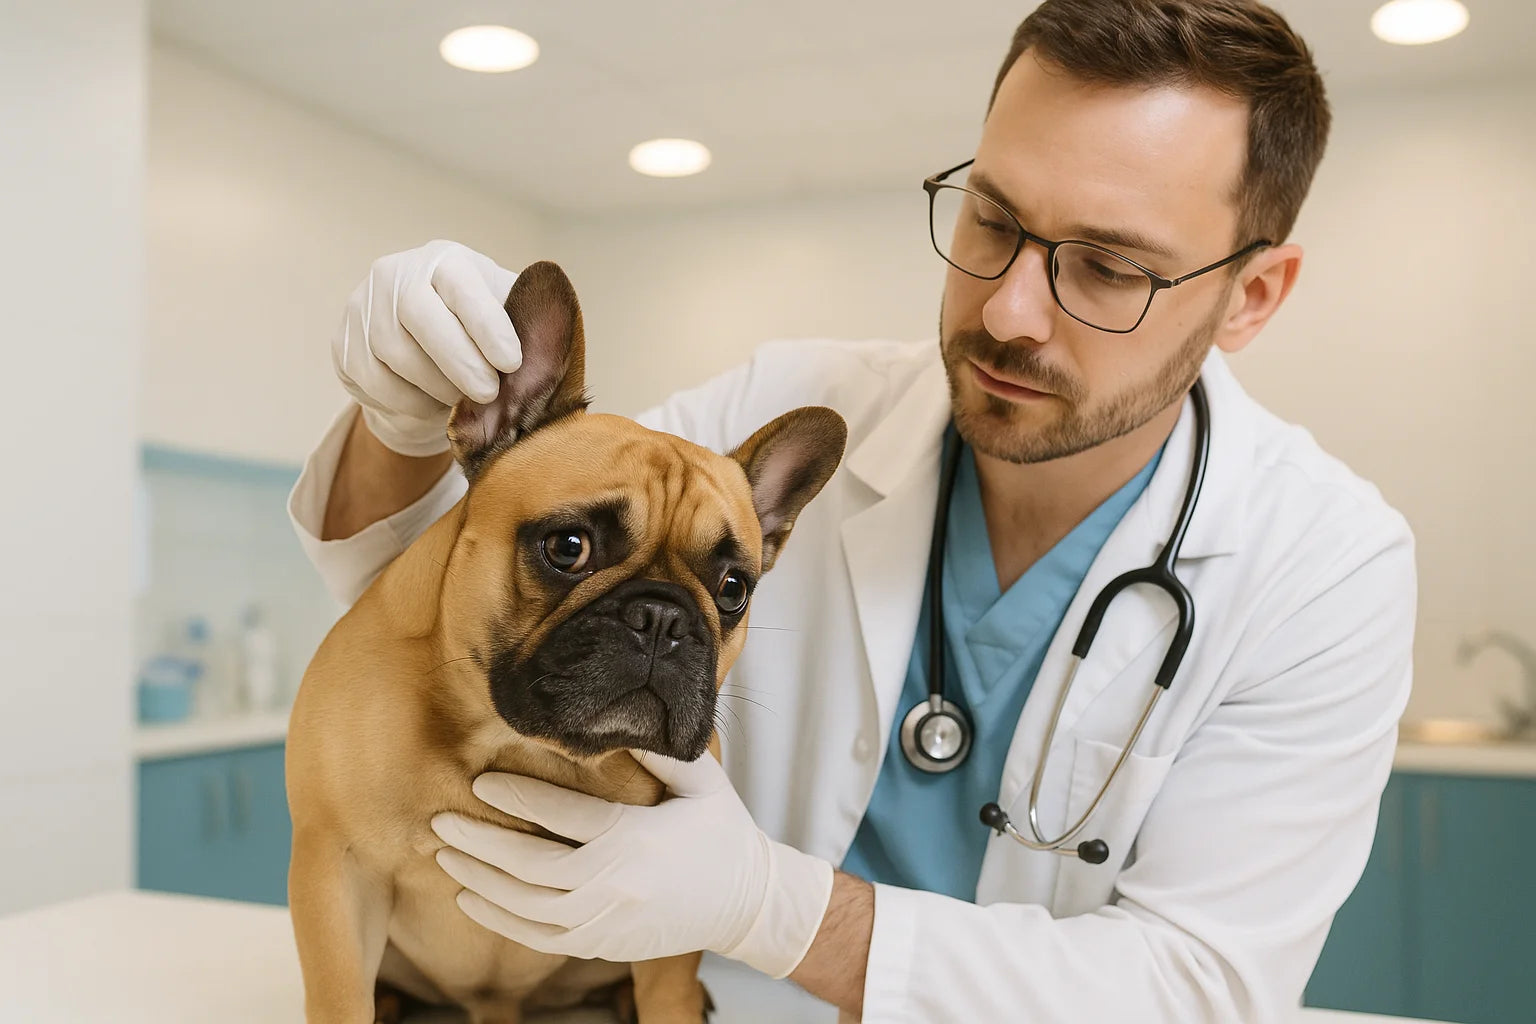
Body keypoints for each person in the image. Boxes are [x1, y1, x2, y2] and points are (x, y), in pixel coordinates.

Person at [288, 1, 1416, 1020]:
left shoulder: (1325, 565)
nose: (1013, 310)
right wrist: (398, 421)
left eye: (1108, 268)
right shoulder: (778, 409)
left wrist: (775, 909)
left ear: (1250, 296)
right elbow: (425, 592)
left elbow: (1202, 988)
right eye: (992, 219)